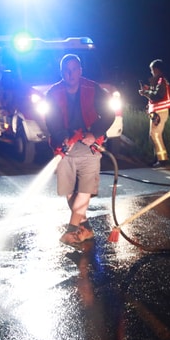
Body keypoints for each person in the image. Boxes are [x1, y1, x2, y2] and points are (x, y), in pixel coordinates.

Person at [45, 54, 116, 247]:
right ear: (61, 72)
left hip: (89, 146)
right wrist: (62, 137)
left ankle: (71, 230)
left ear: (80, 71)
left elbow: (109, 114)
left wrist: (94, 133)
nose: (70, 74)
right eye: (66, 70)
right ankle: (85, 228)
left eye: (74, 69)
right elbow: (50, 120)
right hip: (65, 146)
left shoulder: (92, 89)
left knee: (84, 189)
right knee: (69, 191)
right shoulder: (53, 92)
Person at [138, 59, 170, 168]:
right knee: (154, 135)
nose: (151, 72)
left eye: (152, 69)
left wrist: (145, 92)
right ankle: (158, 158)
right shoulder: (161, 81)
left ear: (157, 69)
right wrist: (148, 90)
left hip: (160, 111)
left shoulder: (160, 80)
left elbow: (157, 95)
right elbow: (156, 93)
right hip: (158, 111)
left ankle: (162, 160)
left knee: (155, 135)